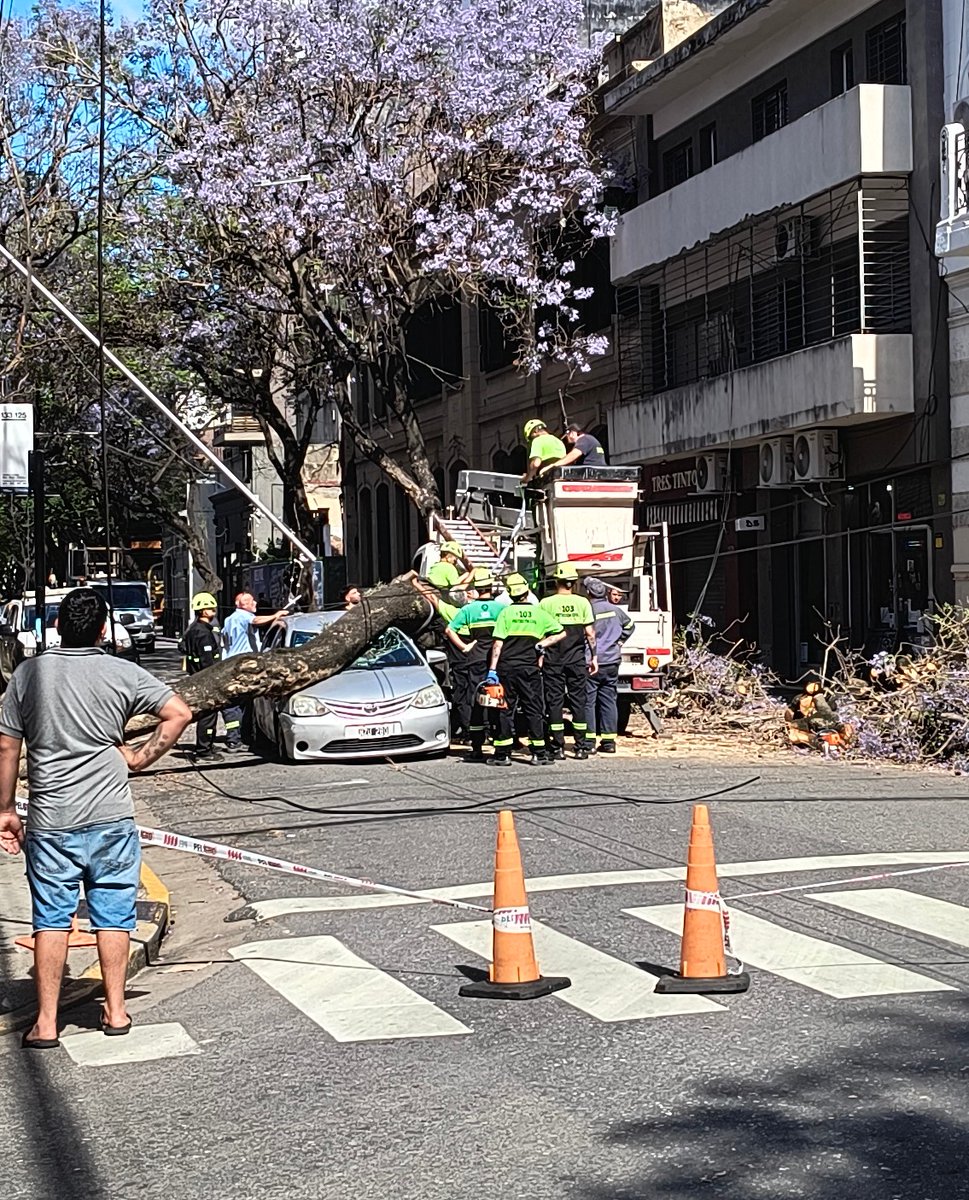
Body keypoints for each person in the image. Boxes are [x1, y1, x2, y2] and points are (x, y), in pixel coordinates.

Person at [0, 588, 192, 1048]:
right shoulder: (122, 672)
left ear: (59, 626)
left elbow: (7, 746)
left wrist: (5, 809)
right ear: (104, 629)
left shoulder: (28, 675)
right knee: (114, 915)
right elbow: (179, 713)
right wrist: (140, 757)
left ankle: (46, 1022)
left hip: (51, 819)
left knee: (50, 919)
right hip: (111, 816)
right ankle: (116, 1009)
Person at [486, 572, 565, 766]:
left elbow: (498, 644)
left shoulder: (505, 613)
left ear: (510, 594)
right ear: (527, 592)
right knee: (533, 709)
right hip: (529, 669)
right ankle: (538, 752)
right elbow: (561, 632)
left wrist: (492, 670)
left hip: (507, 668)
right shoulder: (539, 613)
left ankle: (502, 754)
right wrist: (541, 645)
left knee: (505, 710)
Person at [446, 569, 508, 762]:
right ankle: (499, 742)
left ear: (476, 589)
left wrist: (464, 647)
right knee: (498, 700)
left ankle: (477, 747)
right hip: (497, 659)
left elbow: (449, 630)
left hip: (475, 658)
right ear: (490, 587)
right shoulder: (501, 609)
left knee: (476, 703)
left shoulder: (468, 610)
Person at [539, 564, 597, 760]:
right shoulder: (583, 603)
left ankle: (557, 747)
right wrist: (594, 656)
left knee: (554, 702)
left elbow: (540, 633)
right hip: (576, 660)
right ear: (574, 583)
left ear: (557, 581)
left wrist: (539, 656)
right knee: (578, 702)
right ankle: (581, 747)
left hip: (553, 660)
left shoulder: (545, 603)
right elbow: (590, 633)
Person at [583, 576, 635, 754]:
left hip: (592, 661)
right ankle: (609, 742)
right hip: (612, 660)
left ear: (588, 593)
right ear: (605, 593)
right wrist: (619, 643)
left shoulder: (587, 610)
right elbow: (630, 626)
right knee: (608, 701)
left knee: (589, 702)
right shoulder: (615, 610)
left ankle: (589, 742)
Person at [182, 592, 230, 757]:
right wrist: (214, 679)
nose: (213, 610)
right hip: (206, 679)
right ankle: (204, 750)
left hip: (196, 676)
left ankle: (207, 745)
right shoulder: (203, 633)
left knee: (208, 715)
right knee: (208, 715)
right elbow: (207, 660)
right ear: (203, 611)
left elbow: (182, 647)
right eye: (210, 608)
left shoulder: (193, 629)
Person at [222, 592, 288, 658]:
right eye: (252, 601)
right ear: (244, 605)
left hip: (230, 658)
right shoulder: (243, 615)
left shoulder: (228, 619)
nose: (255, 603)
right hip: (242, 658)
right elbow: (256, 620)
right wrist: (275, 615)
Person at [541, 423, 607, 475]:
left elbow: (573, 455)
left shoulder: (584, 439)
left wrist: (552, 466)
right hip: (598, 472)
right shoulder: (590, 439)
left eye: (567, 435)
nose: (567, 438)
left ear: (571, 433)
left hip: (591, 474)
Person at [521, 419, 567, 484]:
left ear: (535, 431)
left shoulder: (537, 440)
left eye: (531, 437)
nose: (532, 441)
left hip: (547, 480)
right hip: (562, 478)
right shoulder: (558, 441)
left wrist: (527, 478)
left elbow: (535, 464)